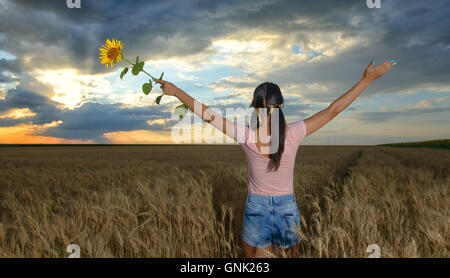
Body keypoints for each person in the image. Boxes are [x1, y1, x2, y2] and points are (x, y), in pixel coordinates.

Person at [154, 59, 395, 258]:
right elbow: (333, 110)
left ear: (255, 108)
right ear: (281, 105)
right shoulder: (295, 132)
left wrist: (175, 91)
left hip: (256, 208)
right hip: (287, 209)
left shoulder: (246, 135)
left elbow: (207, 114)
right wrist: (366, 80)